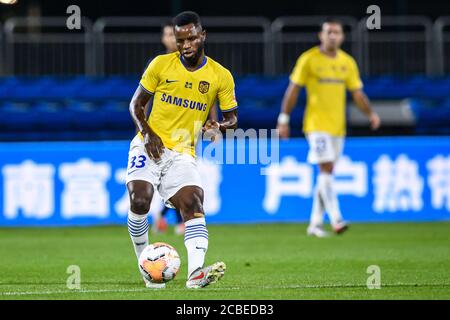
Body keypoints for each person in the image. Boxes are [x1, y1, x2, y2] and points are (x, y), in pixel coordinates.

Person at [126, 11, 238, 289]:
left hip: (183, 152)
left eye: (191, 38)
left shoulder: (220, 75)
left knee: (193, 203)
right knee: (140, 199)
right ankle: (147, 266)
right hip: (148, 143)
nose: (186, 45)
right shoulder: (161, 65)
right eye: (180, 40)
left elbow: (233, 119)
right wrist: (148, 133)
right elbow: (136, 105)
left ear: (203, 36)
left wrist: (219, 126)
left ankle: (195, 274)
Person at [277, 18, 381, 238]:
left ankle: (314, 224)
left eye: (336, 32)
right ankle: (336, 218)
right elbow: (292, 90)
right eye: (328, 32)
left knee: (326, 174)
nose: (332, 36)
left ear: (342, 37)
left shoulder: (347, 62)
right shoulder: (309, 59)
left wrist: (370, 114)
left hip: (338, 128)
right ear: (321, 35)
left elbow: (358, 93)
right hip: (316, 126)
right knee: (326, 169)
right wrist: (284, 118)